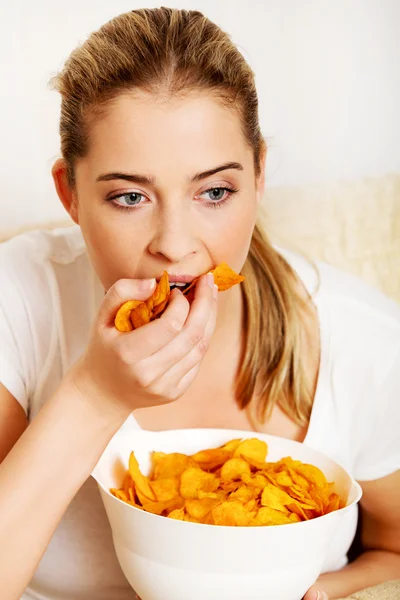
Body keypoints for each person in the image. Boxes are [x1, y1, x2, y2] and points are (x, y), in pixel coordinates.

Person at [0, 7, 399, 600]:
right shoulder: (19, 299)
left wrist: (327, 590)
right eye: (131, 196)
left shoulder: (362, 337)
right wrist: (95, 394)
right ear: (71, 194)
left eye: (214, 191)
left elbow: (393, 547)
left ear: (259, 174)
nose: (176, 245)